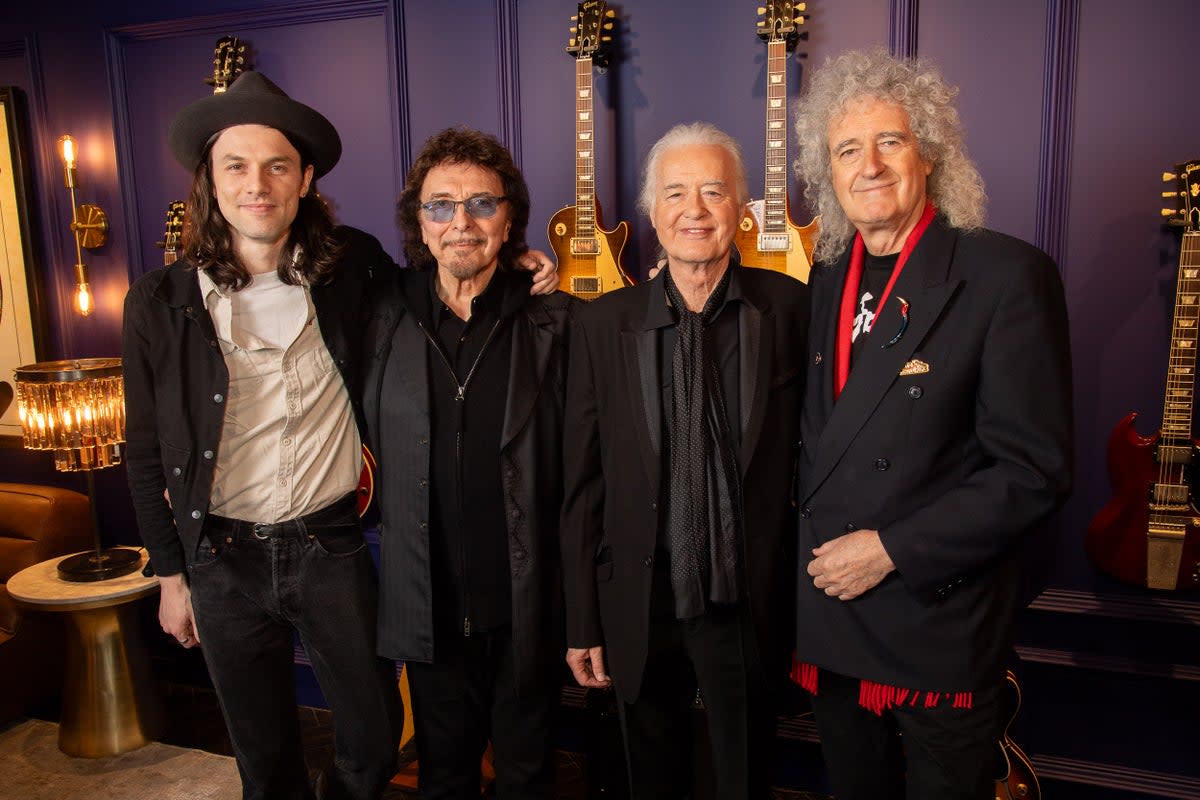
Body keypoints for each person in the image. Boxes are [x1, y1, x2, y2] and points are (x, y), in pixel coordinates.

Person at [122, 73, 555, 800]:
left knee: (373, 740)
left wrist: (513, 262)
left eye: (277, 166)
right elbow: (144, 453)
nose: (257, 184)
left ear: (305, 178)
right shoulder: (158, 303)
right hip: (221, 559)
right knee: (262, 756)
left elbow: (450, 265)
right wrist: (172, 576)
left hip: (331, 547)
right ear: (210, 180)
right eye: (236, 165)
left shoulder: (350, 266)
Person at [789, 48, 1073, 799]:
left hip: (935, 619)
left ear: (932, 154)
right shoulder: (820, 280)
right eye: (848, 148)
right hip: (832, 616)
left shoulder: (1006, 276)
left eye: (891, 141)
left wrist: (889, 550)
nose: (870, 165)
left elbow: (1031, 471)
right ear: (829, 170)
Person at [561, 121, 810, 799]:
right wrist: (582, 617)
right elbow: (581, 483)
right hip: (641, 601)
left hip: (747, 600)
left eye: (713, 191)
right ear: (652, 211)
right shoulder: (601, 323)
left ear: (740, 206)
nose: (694, 210)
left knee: (745, 777)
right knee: (651, 780)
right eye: (675, 192)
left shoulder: (790, 307)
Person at [363, 126, 575, 800]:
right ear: (417, 224)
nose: (462, 222)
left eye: (483, 204)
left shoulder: (556, 321)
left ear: (509, 218)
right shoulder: (379, 314)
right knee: (443, 777)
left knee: (527, 774)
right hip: (427, 604)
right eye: (440, 206)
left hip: (527, 602)